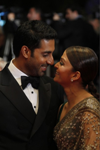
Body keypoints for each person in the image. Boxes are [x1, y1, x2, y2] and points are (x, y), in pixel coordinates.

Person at [0, 20, 64, 150]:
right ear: (25, 52)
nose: (51, 61)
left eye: (52, 54)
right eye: (46, 54)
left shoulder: (54, 87)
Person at [53, 46, 100, 150]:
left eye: (61, 63)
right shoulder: (63, 107)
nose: (55, 65)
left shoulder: (89, 113)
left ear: (75, 75)